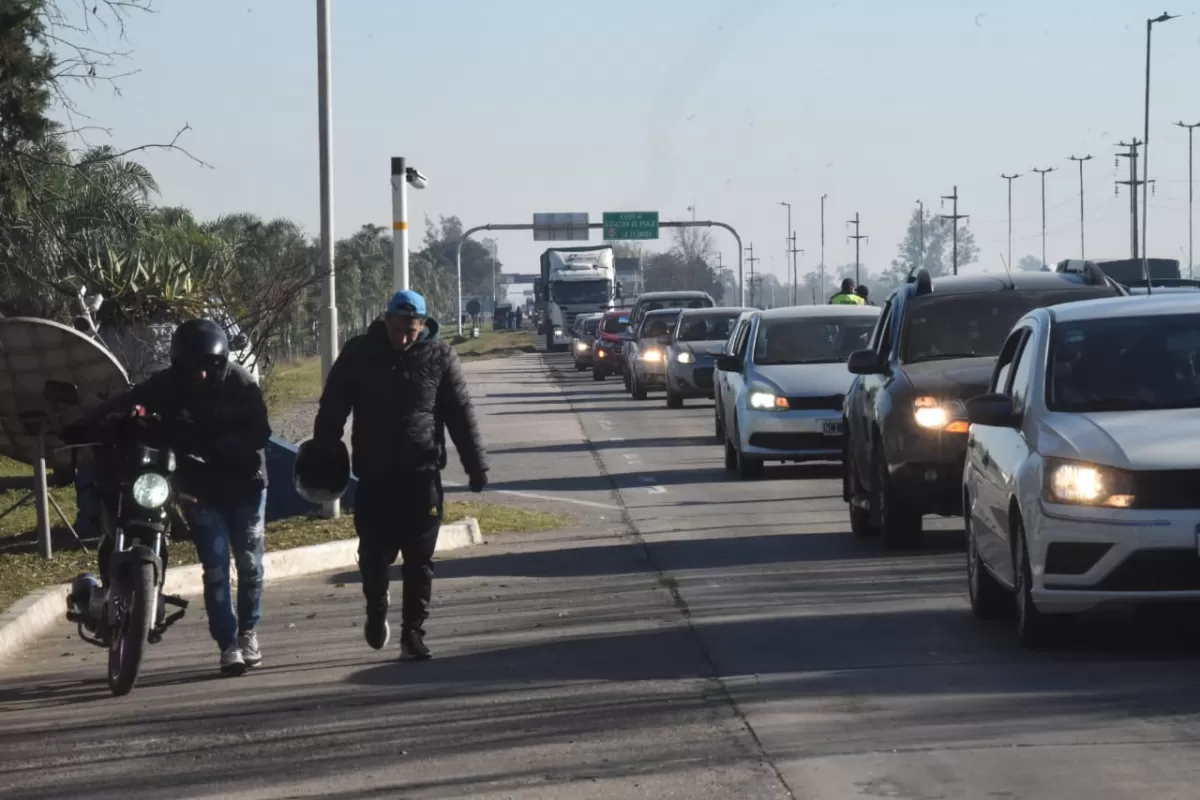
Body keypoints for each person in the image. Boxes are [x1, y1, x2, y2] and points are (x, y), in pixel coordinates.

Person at [72, 318, 271, 677]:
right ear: (181, 363)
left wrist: (214, 446)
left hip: (246, 486)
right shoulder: (168, 385)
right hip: (200, 490)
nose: (204, 375)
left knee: (251, 566)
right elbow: (129, 399)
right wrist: (85, 423)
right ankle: (228, 645)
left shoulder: (242, 384)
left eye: (210, 366)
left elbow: (261, 431)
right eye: (195, 367)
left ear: (222, 360)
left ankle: (248, 632)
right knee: (215, 569)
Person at [311, 289, 488, 661]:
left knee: (419, 560)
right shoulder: (360, 353)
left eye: (411, 330)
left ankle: (413, 633)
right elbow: (333, 406)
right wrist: (324, 451)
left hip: (422, 476)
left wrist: (476, 466)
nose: (404, 338)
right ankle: (376, 610)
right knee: (374, 557)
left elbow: (461, 413)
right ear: (386, 320)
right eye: (398, 329)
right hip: (375, 476)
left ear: (423, 325)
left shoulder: (440, 356)